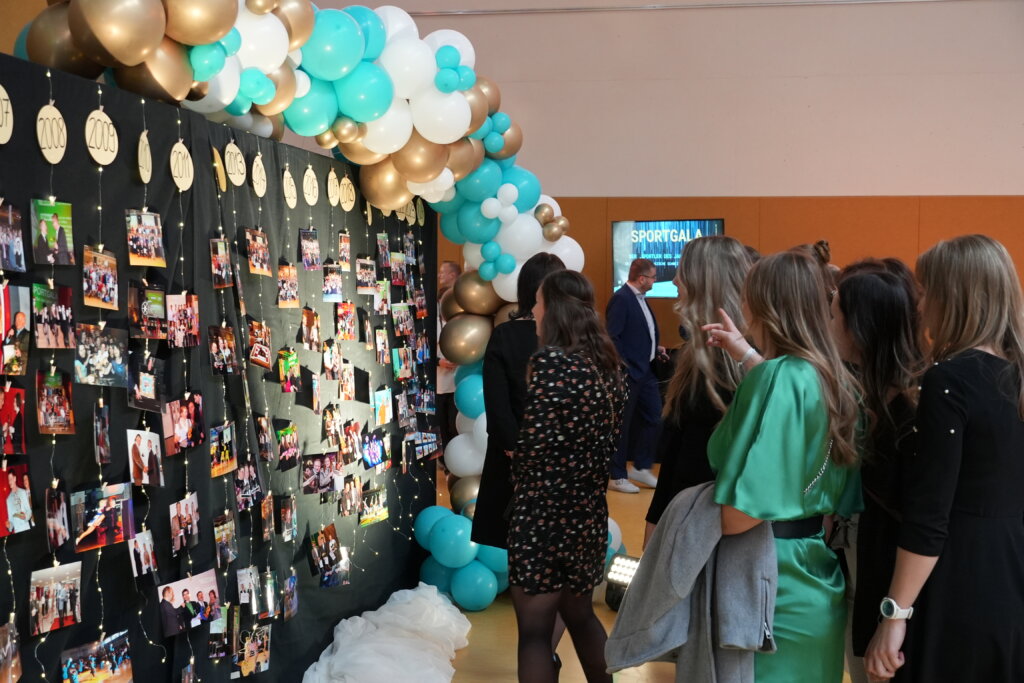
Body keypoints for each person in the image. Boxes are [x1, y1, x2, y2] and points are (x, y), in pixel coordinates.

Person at [865, 235, 1024, 682]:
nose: (920, 305)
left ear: (953, 297)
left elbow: (930, 515)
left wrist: (894, 614)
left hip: (961, 580)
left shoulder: (950, 379)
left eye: (926, 291)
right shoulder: (1014, 375)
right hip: (1012, 571)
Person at [702, 250, 861, 682]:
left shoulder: (778, 378)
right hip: (815, 572)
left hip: (768, 581)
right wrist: (746, 354)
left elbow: (743, 512)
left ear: (764, 305)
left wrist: (689, 525)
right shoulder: (835, 379)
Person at [508, 270, 627, 683]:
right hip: (588, 513)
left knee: (535, 634)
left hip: (543, 515)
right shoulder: (611, 368)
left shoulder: (551, 363)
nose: (534, 309)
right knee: (581, 615)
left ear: (554, 309)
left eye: (539, 301)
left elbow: (533, 447)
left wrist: (519, 469)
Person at [825, 261, 922, 683]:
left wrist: (894, 614)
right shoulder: (864, 398)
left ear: (859, 330)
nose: (827, 325)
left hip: (890, 590)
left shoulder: (910, 416)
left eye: (834, 316)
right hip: (857, 572)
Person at [644, 236, 753, 548]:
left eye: (682, 271)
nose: (675, 280)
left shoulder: (739, 361)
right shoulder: (699, 353)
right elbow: (678, 451)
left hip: (713, 529)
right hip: (688, 518)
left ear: (704, 281)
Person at [473, 252, 566, 549]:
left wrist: (515, 449)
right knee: (555, 539)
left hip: (512, 453)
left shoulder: (506, 335)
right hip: (561, 456)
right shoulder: (573, 338)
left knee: (516, 537)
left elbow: (497, 403)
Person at [605, 258, 665, 493]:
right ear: (642, 279)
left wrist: (654, 349)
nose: (655, 281)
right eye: (653, 277)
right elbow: (613, 337)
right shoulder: (621, 299)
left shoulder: (640, 299)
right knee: (622, 425)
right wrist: (625, 367)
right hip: (630, 373)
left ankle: (641, 466)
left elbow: (640, 333)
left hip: (646, 371)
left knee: (655, 416)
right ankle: (617, 475)